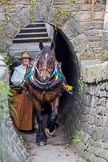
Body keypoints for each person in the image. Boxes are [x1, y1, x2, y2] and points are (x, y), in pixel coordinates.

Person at [11, 51, 34, 131]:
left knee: (29, 110)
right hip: (20, 91)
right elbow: (13, 80)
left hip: (29, 92)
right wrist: (23, 81)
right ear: (21, 60)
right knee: (18, 109)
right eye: (24, 59)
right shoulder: (17, 69)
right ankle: (17, 127)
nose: (25, 60)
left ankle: (27, 128)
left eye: (27, 58)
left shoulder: (33, 69)